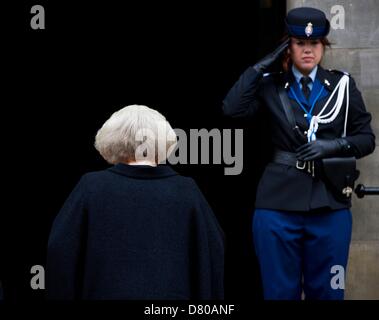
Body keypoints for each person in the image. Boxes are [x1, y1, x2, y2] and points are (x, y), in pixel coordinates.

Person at [222, 7, 375, 300]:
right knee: (279, 294)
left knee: (329, 293)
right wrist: (261, 66)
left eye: (314, 44)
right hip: (277, 205)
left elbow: (366, 139)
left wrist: (332, 146)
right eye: (300, 43)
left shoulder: (341, 85)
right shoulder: (270, 84)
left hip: (329, 204)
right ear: (287, 46)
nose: (308, 50)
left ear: (323, 46)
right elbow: (232, 109)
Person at [46, 104, 224, 300]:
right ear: (165, 140)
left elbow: (60, 251)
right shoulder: (187, 191)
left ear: (111, 139)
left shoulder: (91, 186)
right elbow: (212, 252)